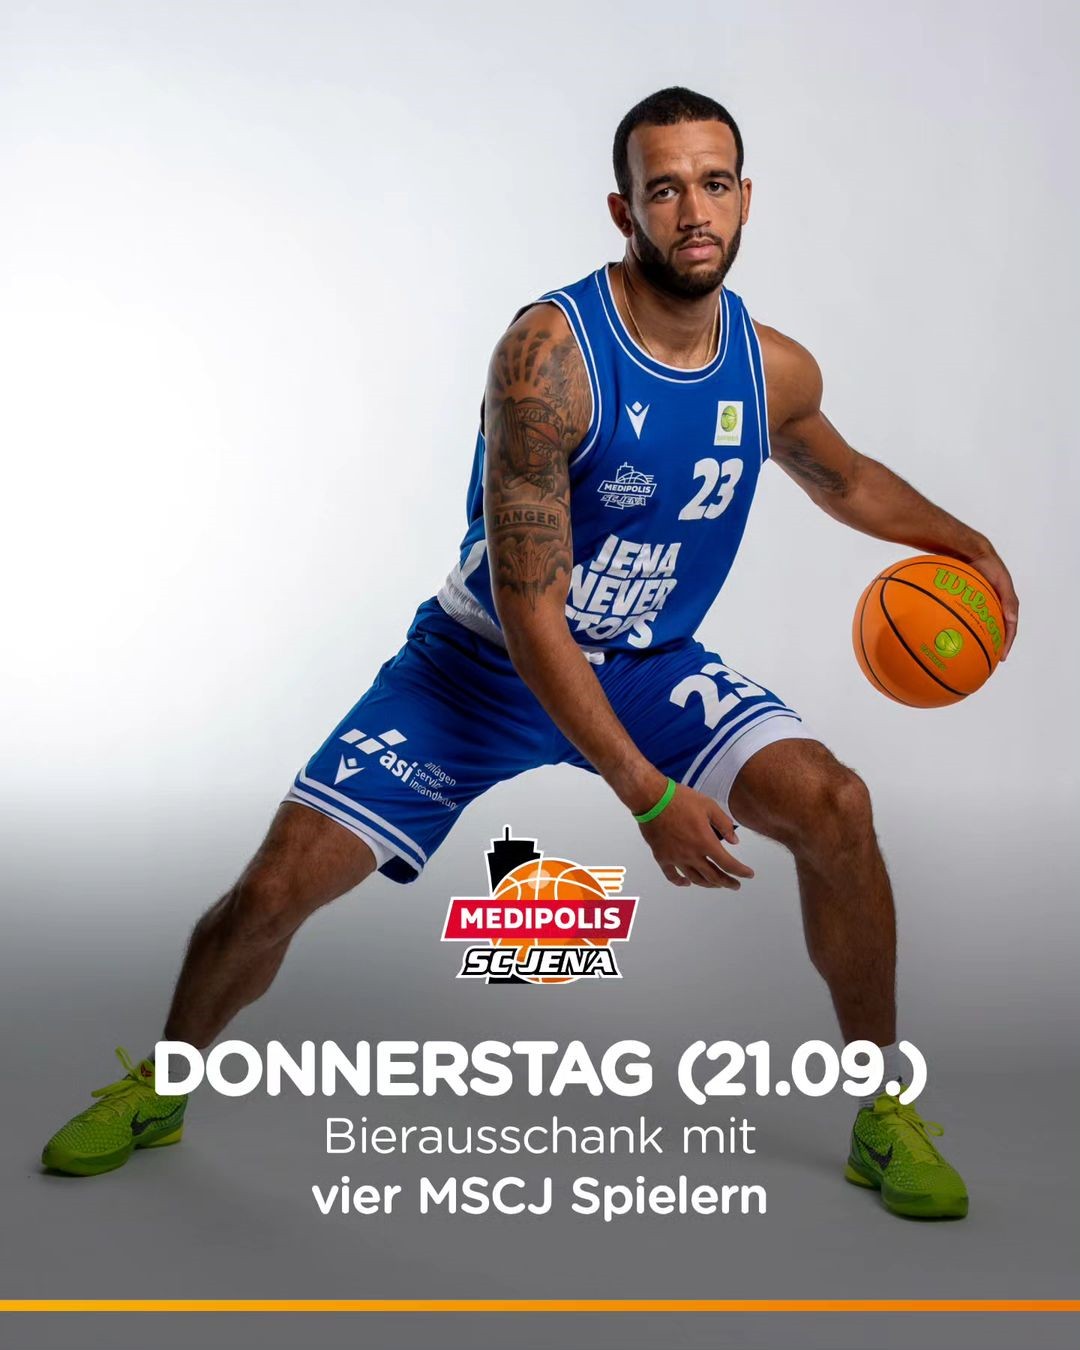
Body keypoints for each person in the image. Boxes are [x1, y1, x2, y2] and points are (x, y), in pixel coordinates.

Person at [42, 86, 1018, 1219]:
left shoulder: (773, 370)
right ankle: (163, 1085)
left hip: (647, 663)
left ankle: (882, 1113)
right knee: (271, 890)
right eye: (665, 189)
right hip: (480, 665)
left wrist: (968, 543)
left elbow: (841, 478)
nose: (693, 210)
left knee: (836, 807)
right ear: (624, 209)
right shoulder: (551, 359)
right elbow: (529, 611)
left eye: (713, 184)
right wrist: (648, 795)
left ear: (746, 198)